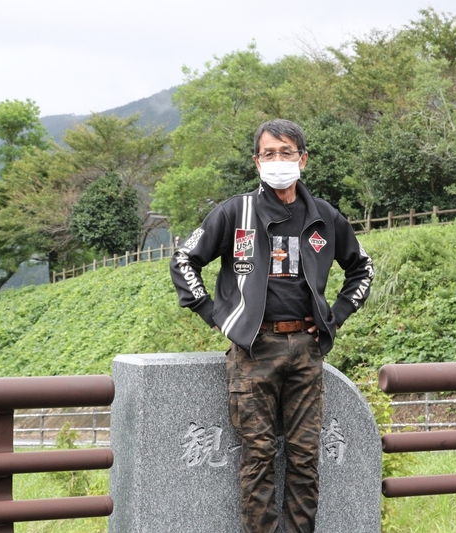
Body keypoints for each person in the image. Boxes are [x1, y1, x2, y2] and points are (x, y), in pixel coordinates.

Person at [170, 119, 374, 532]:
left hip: (306, 349)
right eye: (269, 153)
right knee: (258, 455)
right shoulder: (236, 212)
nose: (278, 160)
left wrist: (335, 315)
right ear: (257, 161)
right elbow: (184, 259)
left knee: (305, 456)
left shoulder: (324, 217)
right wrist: (215, 313)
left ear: (303, 159)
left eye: (286, 152)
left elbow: (362, 268)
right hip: (254, 350)